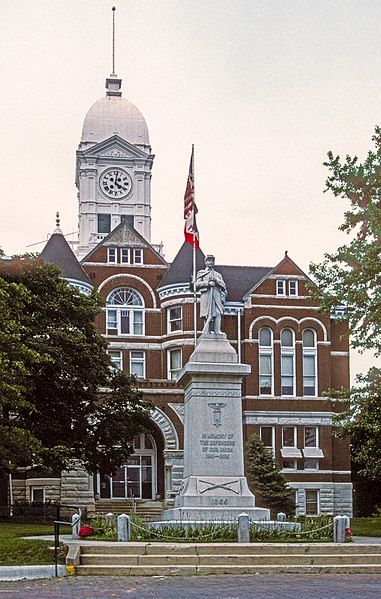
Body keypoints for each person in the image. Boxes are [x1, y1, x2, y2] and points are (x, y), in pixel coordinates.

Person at [195, 255, 227, 334]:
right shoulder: (201, 273)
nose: (211, 262)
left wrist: (216, 281)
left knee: (218, 312)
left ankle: (217, 331)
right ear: (205, 262)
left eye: (212, 260)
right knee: (207, 314)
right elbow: (196, 284)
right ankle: (207, 331)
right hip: (206, 295)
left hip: (216, 296)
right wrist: (208, 283)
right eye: (209, 260)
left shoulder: (217, 275)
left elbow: (224, 286)